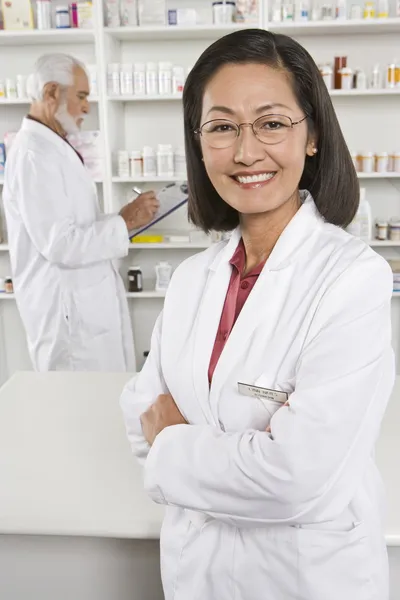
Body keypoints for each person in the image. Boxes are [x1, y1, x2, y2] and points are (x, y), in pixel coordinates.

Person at [120, 29, 394, 600]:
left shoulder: (352, 277)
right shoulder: (194, 279)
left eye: (271, 123)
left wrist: (179, 447)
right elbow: (141, 418)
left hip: (305, 577)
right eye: (221, 127)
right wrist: (240, 454)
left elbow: (298, 478)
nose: (246, 152)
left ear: (312, 134)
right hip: (196, 573)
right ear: (199, 143)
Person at [3, 53, 159, 372]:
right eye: (82, 96)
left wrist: (123, 221)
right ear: (51, 93)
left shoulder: (51, 147)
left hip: (82, 310)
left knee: (101, 404)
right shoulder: (35, 155)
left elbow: (75, 227)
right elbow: (60, 244)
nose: (87, 106)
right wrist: (125, 220)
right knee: (78, 410)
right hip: (70, 320)